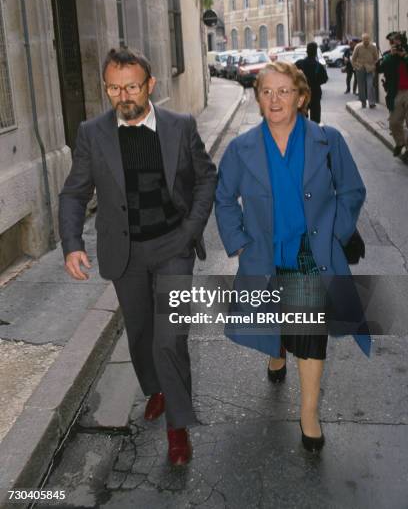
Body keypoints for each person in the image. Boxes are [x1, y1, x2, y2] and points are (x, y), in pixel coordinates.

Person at [59, 48, 217, 465]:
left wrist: (190, 231)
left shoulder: (180, 127)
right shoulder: (92, 133)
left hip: (173, 247)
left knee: (171, 338)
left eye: (131, 86)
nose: (123, 95)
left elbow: (206, 179)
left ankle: (178, 426)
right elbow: (75, 192)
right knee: (141, 334)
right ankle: (157, 390)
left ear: (150, 85)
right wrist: (72, 243)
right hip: (125, 252)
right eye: (114, 87)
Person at [215, 61, 370, 453]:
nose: (275, 99)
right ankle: (276, 351)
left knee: (310, 331)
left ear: (302, 97)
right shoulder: (241, 148)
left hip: (309, 252)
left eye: (284, 91)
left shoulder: (327, 140)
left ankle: (308, 413)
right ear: (258, 98)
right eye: (267, 91)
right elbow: (224, 199)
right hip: (264, 253)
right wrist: (240, 242)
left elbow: (352, 191)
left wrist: (336, 232)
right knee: (275, 318)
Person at [377, 32, 408, 162]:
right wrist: (390, 56)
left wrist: (404, 55)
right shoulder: (388, 56)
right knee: (394, 122)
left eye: (396, 41)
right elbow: (379, 69)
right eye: (391, 42)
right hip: (397, 93)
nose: (394, 44)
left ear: (402, 41)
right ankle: (400, 143)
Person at [295, 42, 328, 124]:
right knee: (315, 120)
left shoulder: (299, 63)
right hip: (315, 94)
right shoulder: (319, 66)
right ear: (315, 52)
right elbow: (325, 79)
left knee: (301, 119)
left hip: (302, 93)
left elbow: (291, 75)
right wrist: (315, 82)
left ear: (307, 51)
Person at [351, 33, 379, 108]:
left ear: (369, 40)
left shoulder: (373, 47)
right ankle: (363, 102)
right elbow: (353, 59)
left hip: (370, 69)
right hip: (360, 68)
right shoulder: (358, 46)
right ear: (362, 40)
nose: (366, 41)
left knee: (370, 85)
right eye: (364, 40)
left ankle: (371, 103)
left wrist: (373, 66)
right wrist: (356, 67)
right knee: (361, 86)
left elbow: (376, 59)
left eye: (367, 39)